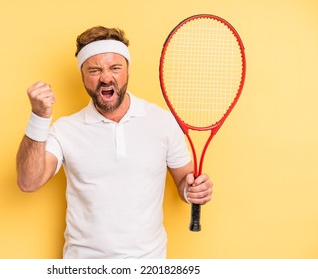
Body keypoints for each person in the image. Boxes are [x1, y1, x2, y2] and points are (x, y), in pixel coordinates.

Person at [16, 26, 213, 259]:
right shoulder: (65, 129)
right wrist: (39, 117)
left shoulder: (162, 121)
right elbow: (29, 182)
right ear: (82, 75)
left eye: (115, 68)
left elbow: (183, 180)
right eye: (94, 70)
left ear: (127, 72)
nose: (106, 77)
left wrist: (193, 191)